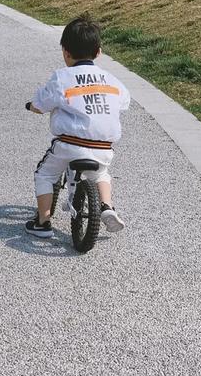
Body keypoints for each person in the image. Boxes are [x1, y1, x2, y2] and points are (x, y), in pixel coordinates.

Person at [25, 16, 130, 239]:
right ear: (99, 52)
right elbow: (124, 102)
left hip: (70, 144)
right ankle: (107, 206)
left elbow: (41, 104)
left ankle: (43, 222)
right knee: (101, 174)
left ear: (65, 52)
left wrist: (32, 106)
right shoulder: (111, 79)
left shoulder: (62, 77)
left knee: (44, 174)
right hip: (104, 146)